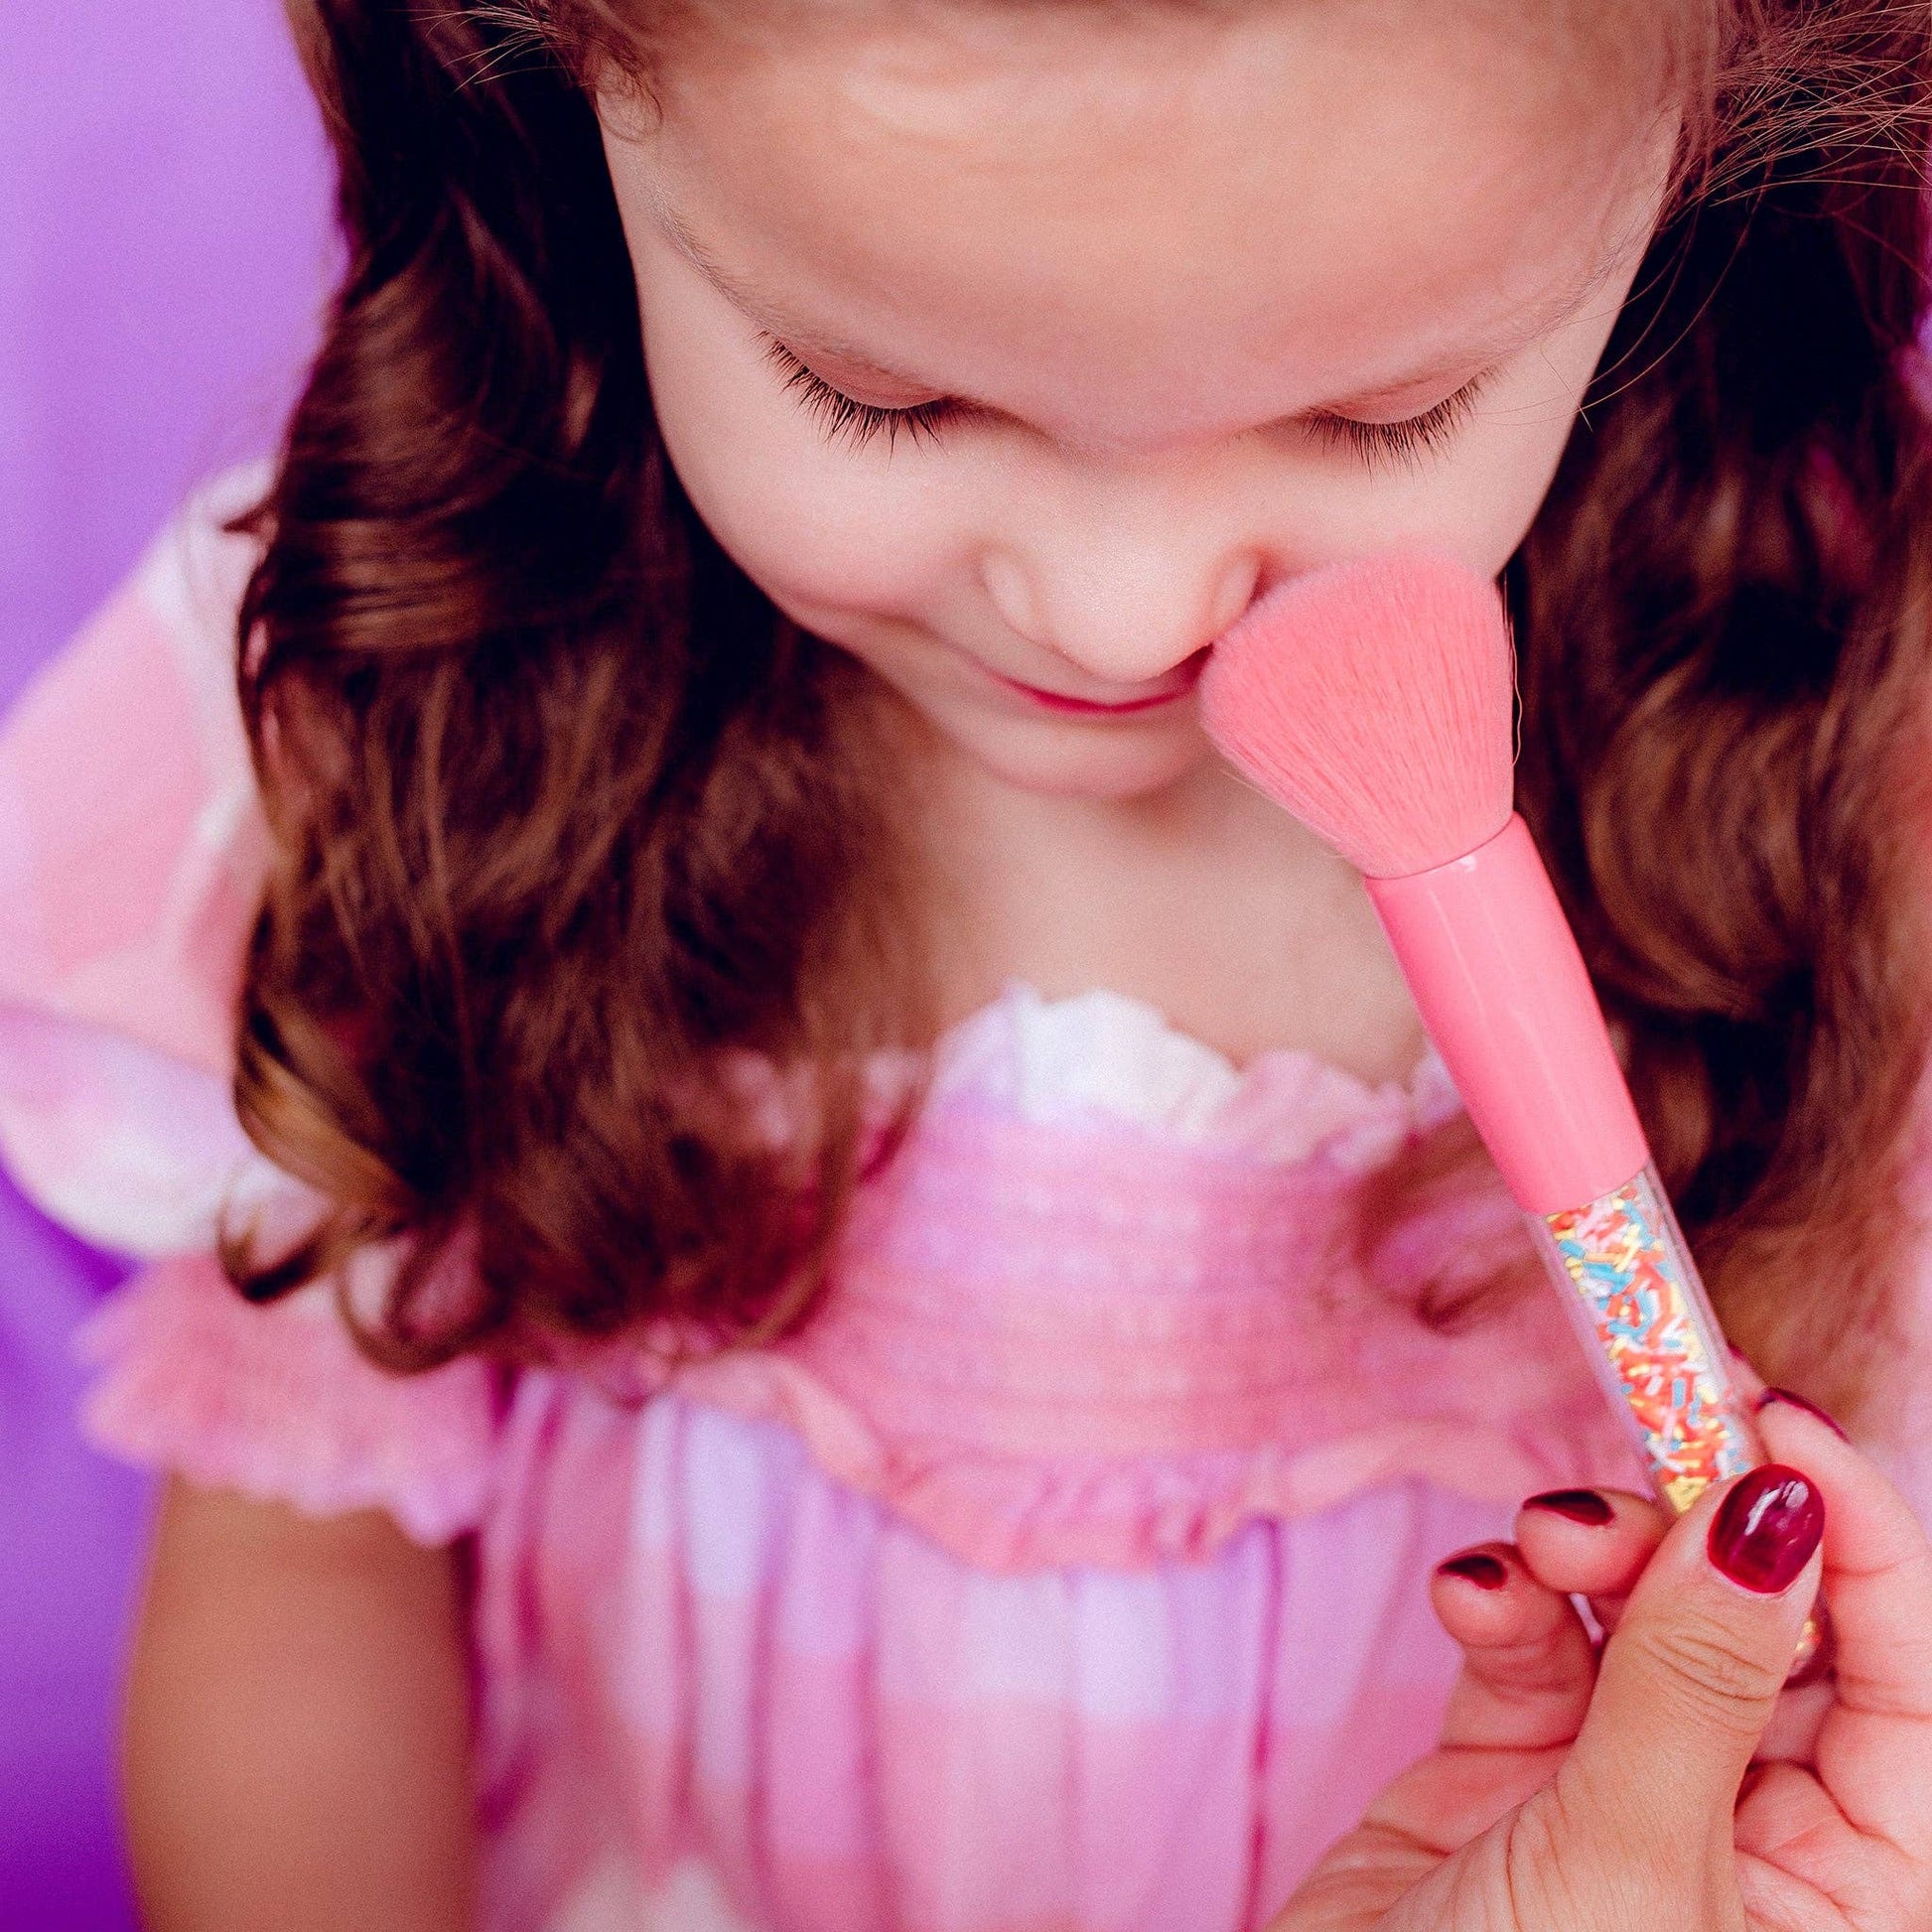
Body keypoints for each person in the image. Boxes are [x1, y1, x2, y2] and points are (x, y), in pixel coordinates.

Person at [4, 0, 1932, 1925]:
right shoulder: (402, 693)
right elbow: (304, 1574)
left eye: (1377, 416)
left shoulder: (1861, 778)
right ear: (555, 97)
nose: (1117, 617)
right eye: (884, 397)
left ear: (1693, 168)